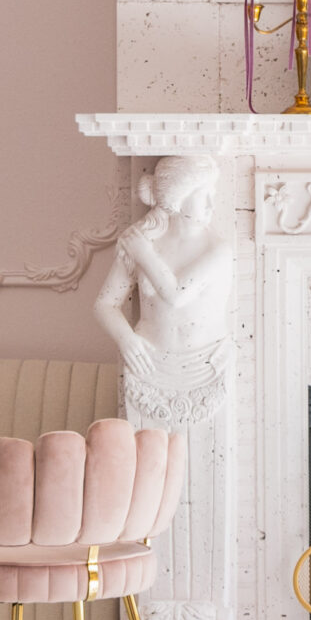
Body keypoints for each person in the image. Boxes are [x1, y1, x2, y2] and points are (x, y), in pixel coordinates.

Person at [95, 153, 232, 426]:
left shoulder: (217, 249)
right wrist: (126, 339)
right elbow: (104, 304)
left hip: (205, 365)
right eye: (203, 194)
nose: (211, 203)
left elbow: (176, 294)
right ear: (178, 197)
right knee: (147, 457)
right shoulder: (141, 240)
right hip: (148, 364)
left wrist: (144, 254)